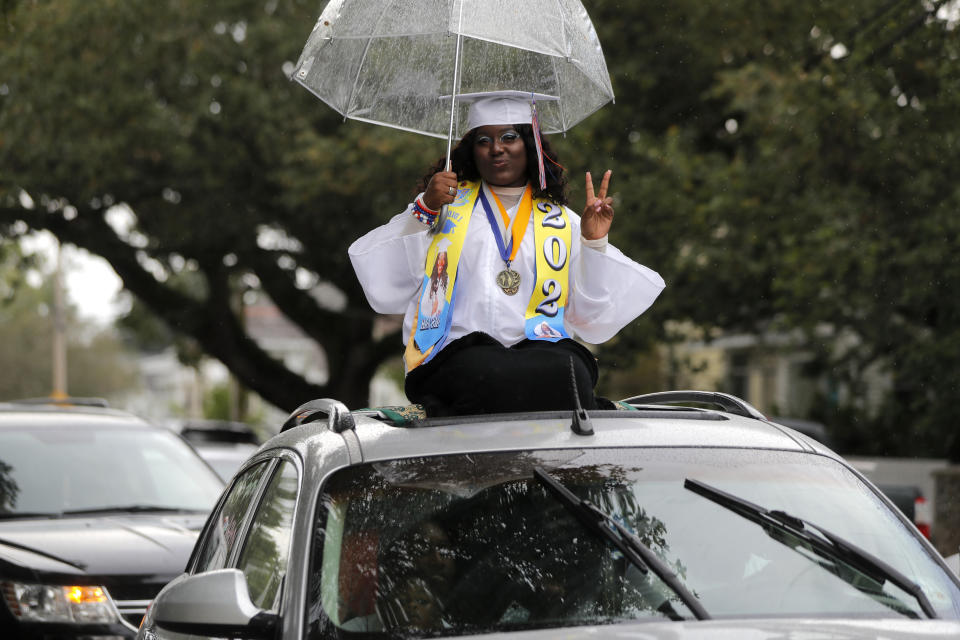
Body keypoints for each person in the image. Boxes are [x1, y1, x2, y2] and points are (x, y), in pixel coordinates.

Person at [349, 91, 665, 416]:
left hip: (539, 348)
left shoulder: (561, 221)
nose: (497, 148)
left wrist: (594, 242)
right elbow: (389, 284)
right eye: (483, 139)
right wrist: (425, 207)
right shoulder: (443, 209)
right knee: (487, 371)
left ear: (529, 146)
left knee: (571, 371)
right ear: (472, 150)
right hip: (455, 352)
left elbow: (589, 318)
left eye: (509, 137)